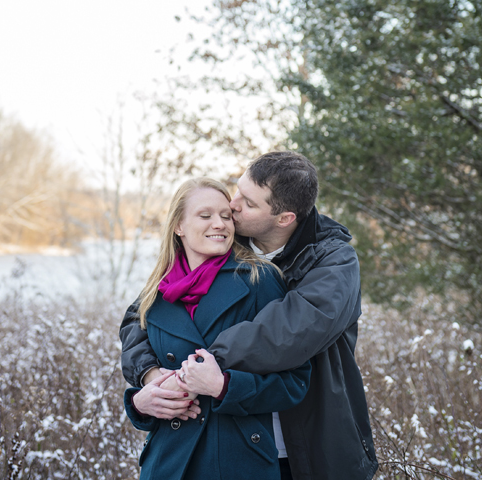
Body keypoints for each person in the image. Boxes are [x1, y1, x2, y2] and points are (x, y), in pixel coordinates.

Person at [121, 152, 378, 480]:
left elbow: (288, 333)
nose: (233, 206)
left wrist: (196, 368)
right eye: (237, 190)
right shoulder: (212, 247)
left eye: (249, 203)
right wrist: (149, 378)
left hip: (303, 436)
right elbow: (139, 318)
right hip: (181, 451)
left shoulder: (329, 263)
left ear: (283, 218)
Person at [123, 176, 311, 480]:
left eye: (226, 215)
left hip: (237, 461)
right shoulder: (158, 290)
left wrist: (223, 387)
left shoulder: (258, 280)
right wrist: (142, 398)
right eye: (205, 215)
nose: (220, 224)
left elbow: (295, 382)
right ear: (179, 226)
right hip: (168, 462)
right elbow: (134, 340)